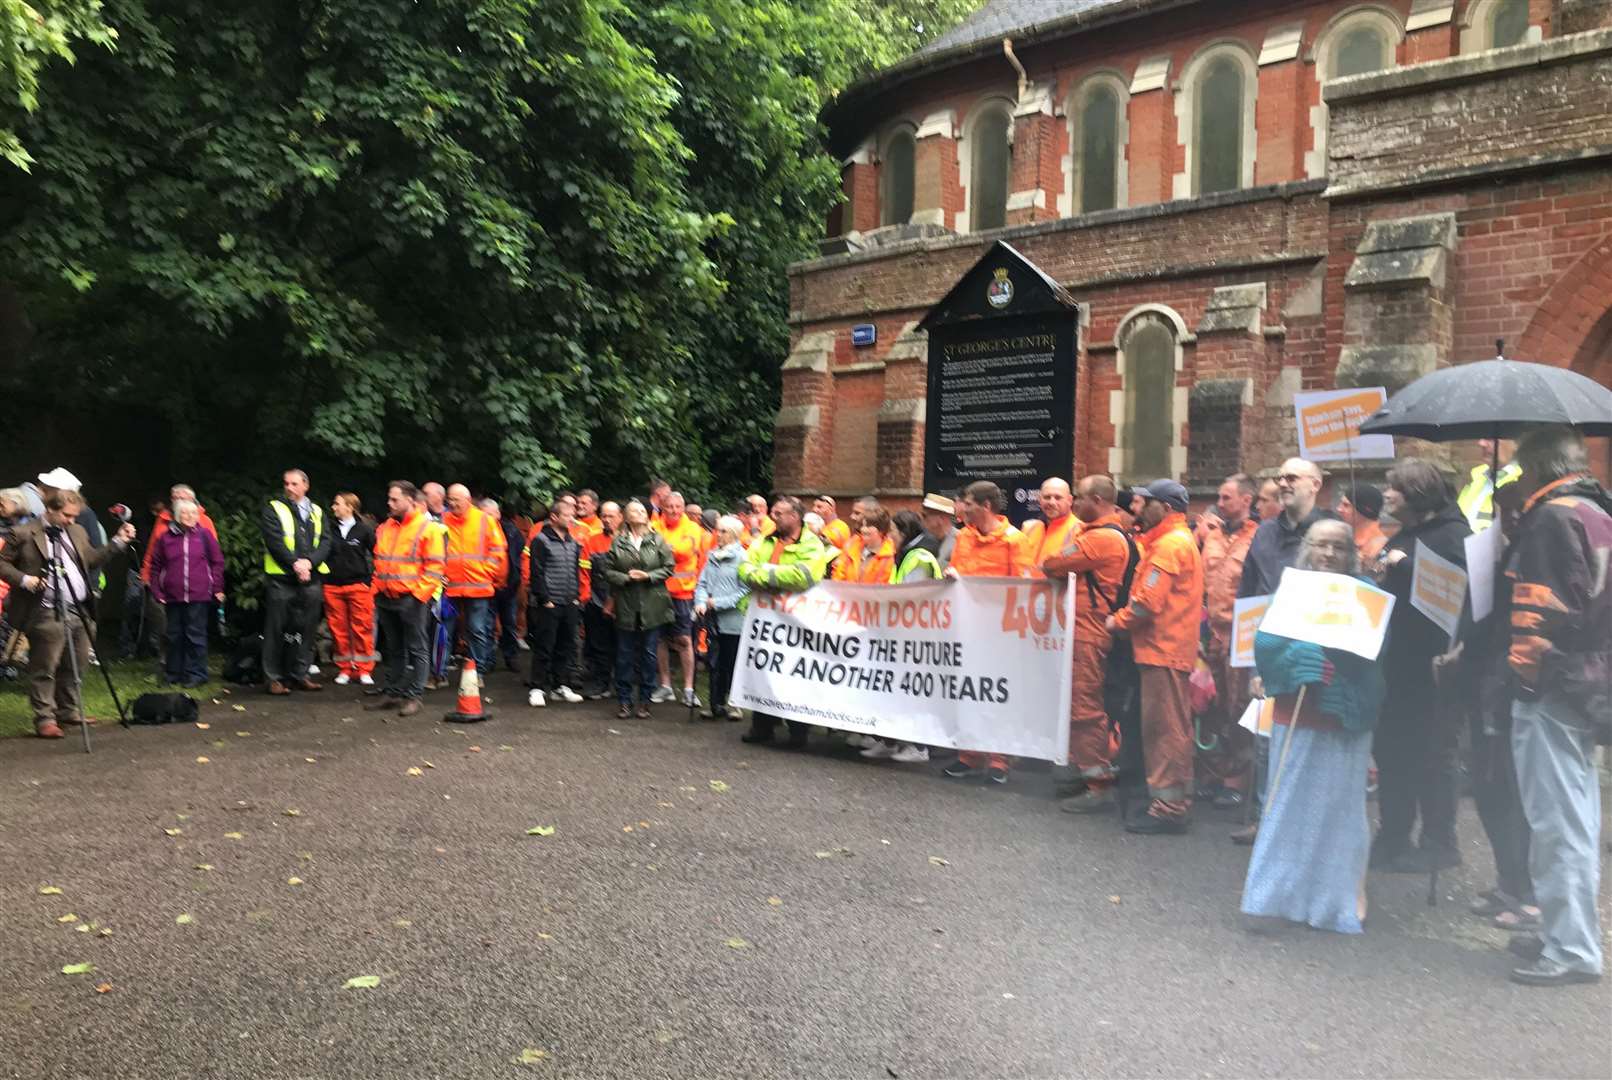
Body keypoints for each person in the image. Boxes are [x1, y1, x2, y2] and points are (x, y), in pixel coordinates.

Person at [1499, 426, 1609, 987]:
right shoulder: (1597, 512)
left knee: (1556, 823)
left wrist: (1522, 678)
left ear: (1539, 467)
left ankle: (1570, 948)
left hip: (1552, 685)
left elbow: (1538, 613)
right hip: (1590, 681)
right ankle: (1568, 933)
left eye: (1520, 469)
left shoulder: (1550, 519)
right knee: (1577, 817)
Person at [1240, 519, 1385, 934]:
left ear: (1350, 554)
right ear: (1307, 548)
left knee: (1339, 811)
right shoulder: (1292, 591)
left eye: (1338, 547)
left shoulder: (1368, 595)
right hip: (1296, 709)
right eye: (1320, 545)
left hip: (1343, 716)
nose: (1328, 554)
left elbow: (1375, 651)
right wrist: (1297, 656)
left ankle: (1335, 899)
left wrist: (1338, 656)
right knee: (1287, 809)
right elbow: (1266, 642)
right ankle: (1278, 898)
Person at [1370, 459, 1471, 873]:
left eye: (1394, 488)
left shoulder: (1455, 536)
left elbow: (1458, 596)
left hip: (1433, 663)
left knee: (1432, 754)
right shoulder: (1406, 533)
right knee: (1392, 751)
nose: (1386, 495)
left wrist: (1404, 566)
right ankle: (1394, 834)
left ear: (1416, 492)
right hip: (1397, 662)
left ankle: (1439, 841)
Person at [1235, 458, 1335, 844]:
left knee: (1309, 737)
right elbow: (1248, 589)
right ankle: (1266, 818)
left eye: (1291, 477)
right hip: (1267, 644)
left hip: (1313, 649)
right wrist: (1247, 651)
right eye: (1279, 477)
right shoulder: (1263, 533)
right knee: (1264, 737)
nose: (1282, 483)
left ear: (1315, 484)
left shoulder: (1332, 532)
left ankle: (1308, 825)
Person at [1108, 479, 1204, 835]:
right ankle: (1173, 801)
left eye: (1143, 502)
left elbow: (1146, 602)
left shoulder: (1168, 546)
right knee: (1169, 727)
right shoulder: (1174, 541)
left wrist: (1116, 621)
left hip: (1163, 650)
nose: (1136, 507)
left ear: (1164, 507)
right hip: (1167, 648)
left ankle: (1169, 807)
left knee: (1164, 730)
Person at [0, 489, 135, 737]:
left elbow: (91, 559)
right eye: (66, 515)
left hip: (79, 608)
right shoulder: (23, 533)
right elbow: (2, 563)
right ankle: (44, 719)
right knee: (45, 665)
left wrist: (117, 542)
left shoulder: (77, 531)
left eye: (75, 515)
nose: (71, 520)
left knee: (77, 662)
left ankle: (69, 711)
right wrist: (24, 579)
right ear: (50, 509)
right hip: (44, 609)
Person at [1043, 475, 1135, 812]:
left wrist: (1073, 538)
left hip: (1088, 632)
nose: (1075, 504)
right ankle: (1085, 773)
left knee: (1085, 708)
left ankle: (1099, 786)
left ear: (1096, 500)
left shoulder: (1100, 540)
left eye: (1078, 497)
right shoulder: (1100, 536)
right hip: (1085, 630)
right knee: (1081, 705)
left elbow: (1052, 563)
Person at [941, 481, 1032, 783]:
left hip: (999, 632)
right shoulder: (965, 537)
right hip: (968, 629)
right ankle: (968, 755)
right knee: (967, 690)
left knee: (997, 694)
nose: (962, 508)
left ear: (986, 506)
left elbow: (1023, 586)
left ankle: (999, 760)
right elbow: (956, 571)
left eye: (967, 503)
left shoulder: (1014, 540)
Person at [737, 496, 834, 746]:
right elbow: (745, 567)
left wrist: (766, 574)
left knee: (795, 675)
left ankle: (798, 732)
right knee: (763, 671)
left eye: (779, 513)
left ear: (795, 516)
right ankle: (762, 726)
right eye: (774, 513)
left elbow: (804, 576)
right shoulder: (767, 538)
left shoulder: (811, 543)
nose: (774, 517)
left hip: (796, 622)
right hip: (766, 621)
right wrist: (766, 575)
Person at [857, 509, 942, 764]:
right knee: (895, 691)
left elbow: (912, 596)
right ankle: (891, 740)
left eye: (893, 531)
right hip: (901, 633)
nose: (889, 536)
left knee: (912, 692)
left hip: (915, 636)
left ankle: (919, 746)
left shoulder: (919, 557)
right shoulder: (907, 554)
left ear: (904, 533)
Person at [1198, 473, 1259, 807]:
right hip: (1212, 632)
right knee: (1212, 705)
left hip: (1241, 632)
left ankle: (1238, 778)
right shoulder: (1213, 536)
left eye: (1226, 498)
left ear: (1246, 500)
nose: (1219, 504)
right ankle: (1214, 770)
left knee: (1239, 705)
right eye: (1219, 498)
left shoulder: (1259, 537)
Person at [366, 482, 445, 718]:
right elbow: (379, 561)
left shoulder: (428, 529)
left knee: (417, 648)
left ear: (410, 501)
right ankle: (393, 692)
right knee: (394, 648)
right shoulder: (386, 527)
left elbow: (435, 568)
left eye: (394, 500)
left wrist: (418, 596)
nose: (389, 504)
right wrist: (377, 590)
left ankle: (414, 696)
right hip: (387, 596)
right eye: (389, 499)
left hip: (412, 598)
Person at [259, 468, 331, 695]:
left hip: (310, 578)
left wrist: (309, 563)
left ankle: (300, 673)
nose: (289, 487)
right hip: (282, 579)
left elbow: (326, 542)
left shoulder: (318, 511)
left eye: (294, 484)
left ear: (305, 486)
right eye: (286, 483)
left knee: (308, 629)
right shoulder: (274, 508)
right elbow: (275, 542)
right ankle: (273, 678)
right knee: (276, 629)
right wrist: (296, 565)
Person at [603, 500, 674, 719]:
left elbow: (669, 568)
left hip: (652, 605)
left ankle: (645, 700)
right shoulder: (619, 541)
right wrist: (625, 578)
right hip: (626, 605)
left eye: (643, 510)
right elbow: (606, 570)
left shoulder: (657, 540)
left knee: (649, 655)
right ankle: (624, 700)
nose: (641, 513)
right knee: (624, 655)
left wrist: (649, 576)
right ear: (626, 516)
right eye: (636, 510)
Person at [146, 497, 225, 688]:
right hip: (173, 595)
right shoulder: (165, 538)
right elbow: (156, 566)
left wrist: (217, 588)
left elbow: (217, 562)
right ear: (177, 516)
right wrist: (157, 590)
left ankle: (196, 674)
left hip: (199, 594)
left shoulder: (205, 535)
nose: (190, 517)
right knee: (174, 635)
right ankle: (174, 673)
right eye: (185, 513)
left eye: (193, 513)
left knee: (195, 635)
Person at [441, 484, 507, 682]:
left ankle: (477, 672)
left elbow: (498, 550)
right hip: (449, 586)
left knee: (477, 629)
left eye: (456, 500)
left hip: (478, 585)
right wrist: (439, 574)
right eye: (449, 500)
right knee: (445, 629)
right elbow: (435, 550)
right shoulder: (442, 521)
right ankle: (440, 672)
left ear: (468, 500)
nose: (452, 504)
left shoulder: (485, 521)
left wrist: (486, 572)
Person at [527, 490, 584, 707]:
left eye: (573, 516)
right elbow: (537, 572)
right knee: (544, 645)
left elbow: (575, 570)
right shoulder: (541, 540)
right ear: (554, 517)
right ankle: (537, 687)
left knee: (566, 645)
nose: (572, 519)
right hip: (549, 602)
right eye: (567, 516)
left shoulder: (572, 541)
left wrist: (576, 597)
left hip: (569, 601)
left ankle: (561, 685)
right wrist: (545, 599)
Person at [650, 491, 706, 708]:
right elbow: (650, 552)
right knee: (660, 640)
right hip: (658, 592)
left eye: (677, 507)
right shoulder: (655, 525)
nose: (673, 511)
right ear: (662, 507)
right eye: (669, 507)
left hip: (683, 593)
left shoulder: (692, 528)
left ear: (683, 508)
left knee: (684, 641)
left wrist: (664, 548)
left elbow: (683, 552)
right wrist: (668, 549)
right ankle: (665, 686)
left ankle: (689, 689)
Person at [694, 514, 750, 721]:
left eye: (723, 531)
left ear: (734, 534)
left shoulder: (743, 557)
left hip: (734, 620)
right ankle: (715, 703)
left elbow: (745, 590)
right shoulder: (712, 556)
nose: (719, 534)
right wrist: (700, 602)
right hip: (713, 620)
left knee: (733, 662)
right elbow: (702, 584)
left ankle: (735, 705)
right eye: (718, 530)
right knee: (715, 662)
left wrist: (719, 603)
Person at [323, 492, 376, 686]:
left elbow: (375, 554)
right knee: (338, 630)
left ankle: (364, 669)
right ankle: (345, 668)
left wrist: (370, 580)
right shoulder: (329, 529)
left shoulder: (364, 530)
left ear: (349, 507)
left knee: (362, 627)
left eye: (337, 504)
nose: (333, 507)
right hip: (332, 585)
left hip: (358, 584)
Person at [579, 501, 621, 699]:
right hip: (596, 601)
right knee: (599, 644)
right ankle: (601, 683)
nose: (606, 519)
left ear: (620, 518)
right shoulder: (592, 541)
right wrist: (586, 596)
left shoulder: (628, 540)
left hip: (623, 603)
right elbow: (584, 571)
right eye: (604, 515)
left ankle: (622, 684)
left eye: (611, 516)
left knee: (623, 645)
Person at [482, 498, 526, 673]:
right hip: (486, 586)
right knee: (487, 625)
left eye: (490, 514)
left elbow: (517, 557)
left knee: (509, 623)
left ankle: (511, 656)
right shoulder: (479, 533)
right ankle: (487, 659)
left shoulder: (511, 531)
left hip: (508, 586)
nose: (487, 518)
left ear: (498, 514)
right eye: (484, 515)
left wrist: (515, 580)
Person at [1457, 438, 1521, 533]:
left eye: (1491, 439)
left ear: (1516, 444)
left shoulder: (1523, 485)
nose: (1481, 443)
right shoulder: (1477, 478)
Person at [1024, 477, 1082, 572]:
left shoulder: (1079, 530)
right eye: (1047, 497)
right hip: (1026, 585)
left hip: (1060, 586)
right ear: (1040, 500)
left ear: (1070, 500)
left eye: (1058, 498)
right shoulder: (1029, 528)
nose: (1051, 502)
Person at [1336, 482, 1388, 566]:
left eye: (1346, 505)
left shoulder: (1379, 547)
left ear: (1365, 510)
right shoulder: (1344, 538)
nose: (1339, 509)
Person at [848, 507, 896, 583]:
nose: (863, 529)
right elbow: (840, 573)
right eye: (863, 525)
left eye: (868, 526)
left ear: (881, 530)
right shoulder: (852, 545)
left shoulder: (889, 556)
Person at [920, 493, 958, 568]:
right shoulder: (922, 538)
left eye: (924, 516)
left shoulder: (960, 541)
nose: (922, 520)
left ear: (941, 518)